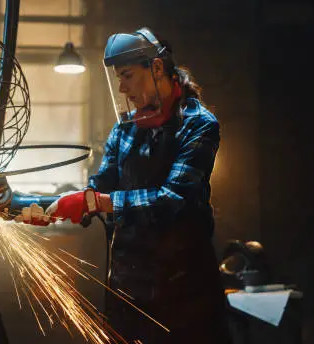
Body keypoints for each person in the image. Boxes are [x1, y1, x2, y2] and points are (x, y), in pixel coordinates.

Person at [20, 27, 231, 344]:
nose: (121, 88)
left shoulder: (198, 124)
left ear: (157, 68)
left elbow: (171, 201)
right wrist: (36, 205)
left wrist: (96, 202)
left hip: (184, 294)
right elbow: (97, 188)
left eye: (128, 76)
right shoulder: (126, 130)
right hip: (127, 288)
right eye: (118, 78)